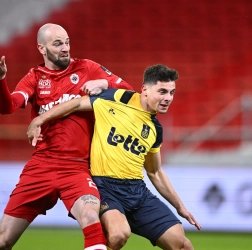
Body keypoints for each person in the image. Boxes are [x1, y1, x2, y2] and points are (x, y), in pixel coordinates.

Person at [27, 64, 201, 250]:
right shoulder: (117, 98)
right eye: (162, 91)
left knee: (183, 245)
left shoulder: (155, 129)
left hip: (137, 191)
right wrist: (39, 119)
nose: (168, 98)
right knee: (118, 235)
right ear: (145, 90)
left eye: (171, 92)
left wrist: (180, 207)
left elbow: (155, 172)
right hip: (105, 187)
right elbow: (77, 103)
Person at [0, 23, 133, 250]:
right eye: (58, 43)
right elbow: (9, 106)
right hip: (41, 167)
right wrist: (1, 79)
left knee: (91, 218)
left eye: (67, 42)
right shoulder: (34, 77)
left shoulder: (87, 68)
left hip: (77, 169)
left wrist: (105, 83)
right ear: (42, 48)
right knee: (3, 240)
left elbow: (131, 93)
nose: (65, 48)